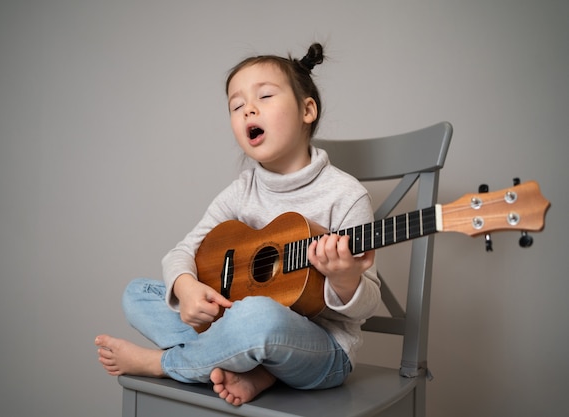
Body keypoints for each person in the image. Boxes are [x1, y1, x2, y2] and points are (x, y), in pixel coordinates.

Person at [95, 42, 381, 406]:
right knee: (137, 293)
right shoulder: (241, 192)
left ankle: (166, 364)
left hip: (321, 353)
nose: (249, 109)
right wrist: (186, 289)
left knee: (256, 316)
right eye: (236, 105)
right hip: (244, 329)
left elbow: (367, 306)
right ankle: (250, 367)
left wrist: (343, 279)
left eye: (264, 95)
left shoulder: (344, 194)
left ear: (307, 109)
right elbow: (182, 252)